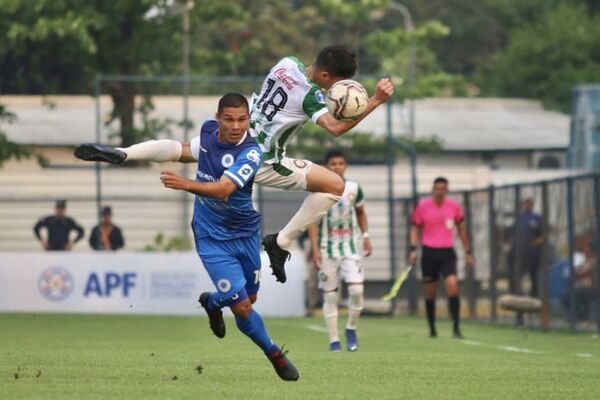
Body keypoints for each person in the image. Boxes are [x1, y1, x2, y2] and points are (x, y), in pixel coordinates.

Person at [73, 44, 394, 284]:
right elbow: (336, 129)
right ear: (325, 75)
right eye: (333, 84)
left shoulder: (287, 63)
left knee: (184, 149)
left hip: (235, 136)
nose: (330, 90)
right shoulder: (311, 95)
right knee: (334, 186)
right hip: (263, 157)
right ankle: (280, 243)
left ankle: (123, 152)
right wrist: (376, 101)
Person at [136, 93, 297, 381]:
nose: (236, 126)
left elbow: (224, 190)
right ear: (217, 119)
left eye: (242, 120)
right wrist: (128, 153)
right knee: (243, 307)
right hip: (211, 237)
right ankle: (274, 354)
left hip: (245, 233)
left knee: (251, 297)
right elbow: (181, 149)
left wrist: (186, 184)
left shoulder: (251, 152)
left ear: (249, 119)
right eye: (229, 119)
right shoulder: (207, 132)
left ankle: (212, 303)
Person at [308, 149, 372, 352]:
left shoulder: (354, 188)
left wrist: (366, 237)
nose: (337, 167)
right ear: (327, 166)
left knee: (356, 290)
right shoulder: (318, 190)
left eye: (340, 163)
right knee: (330, 296)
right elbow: (312, 222)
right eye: (333, 163)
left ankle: (351, 329)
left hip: (351, 248)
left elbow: (361, 213)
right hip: (327, 250)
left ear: (345, 165)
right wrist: (315, 250)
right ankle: (334, 340)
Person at [408, 177, 473, 339]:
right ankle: (432, 328)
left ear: (447, 190)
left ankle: (456, 327)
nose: (440, 191)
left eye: (443, 188)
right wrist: (413, 249)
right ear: (433, 189)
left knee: (452, 285)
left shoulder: (454, 207)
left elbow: (461, 230)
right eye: (437, 188)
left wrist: (468, 252)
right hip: (429, 252)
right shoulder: (423, 207)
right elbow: (415, 229)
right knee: (430, 292)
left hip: (447, 252)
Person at [511, 198, 543, 325]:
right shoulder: (519, 219)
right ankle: (519, 316)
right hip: (520, 256)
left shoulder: (537, 218)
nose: (527, 205)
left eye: (529, 203)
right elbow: (513, 235)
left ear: (532, 205)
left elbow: (544, 234)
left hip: (533, 255)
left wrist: (538, 242)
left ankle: (534, 312)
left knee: (533, 282)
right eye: (525, 203)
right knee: (519, 282)